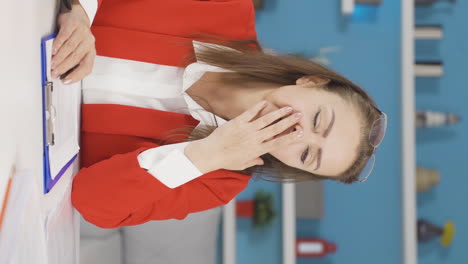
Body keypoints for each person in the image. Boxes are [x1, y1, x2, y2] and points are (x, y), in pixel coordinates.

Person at [55, 0, 386, 228]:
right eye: (317, 120)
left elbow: (91, 202)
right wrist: (81, 12)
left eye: (306, 154)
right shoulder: (226, 9)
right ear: (313, 81)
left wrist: (204, 154)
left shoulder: (218, 182)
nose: (297, 133)